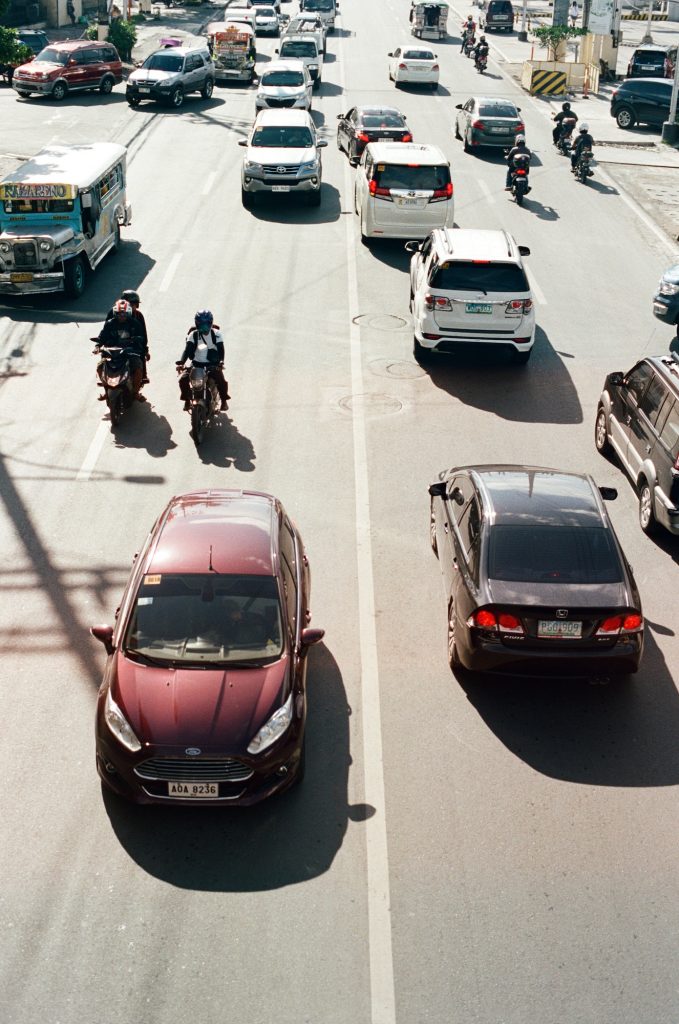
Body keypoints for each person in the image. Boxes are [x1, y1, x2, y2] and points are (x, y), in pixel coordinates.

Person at [176, 310, 229, 412]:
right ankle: (187, 400)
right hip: (196, 364)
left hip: (212, 364)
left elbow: (221, 349)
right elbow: (187, 350)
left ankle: (224, 401)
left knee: (221, 380)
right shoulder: (193, 335)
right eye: (201, 325)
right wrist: (182, 363)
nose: (204, 328)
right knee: (183, 380)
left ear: (211, 323)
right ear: (197, 324)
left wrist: (221, 361)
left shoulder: (217, 334)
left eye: (207, 324)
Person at [96, 299, 146, 400]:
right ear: (115, 313)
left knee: (138, 368)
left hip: (129, 352)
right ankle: (106, 390)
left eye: (124, 314)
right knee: (100, 366)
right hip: (112, 352)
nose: (121, 316)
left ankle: (135, 392)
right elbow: (102, 336)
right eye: (119, 314)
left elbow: (142, 337)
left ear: (128, 313)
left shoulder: (135, 323)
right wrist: (97, 346)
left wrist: (136, 341)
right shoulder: (110, 323)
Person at [104, 289, 150, 382]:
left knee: (139, 358)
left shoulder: (138, 316)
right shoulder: (112, 313)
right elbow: (105, 331)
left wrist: (145, 350)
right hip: (114, 346)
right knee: (103, 362)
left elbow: (143, 335)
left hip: (131, 346)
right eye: (131, 304)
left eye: (135, 304)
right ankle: (105, 384)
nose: (133, 307)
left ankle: (142, 378)